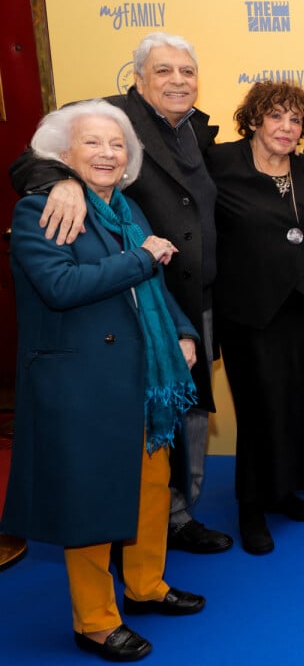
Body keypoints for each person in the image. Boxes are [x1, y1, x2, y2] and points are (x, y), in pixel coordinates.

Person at [9, 32, 232, 555]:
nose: (178, 80)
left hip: (179, 307)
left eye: (187, 71)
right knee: (116, 453)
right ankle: (134, 538)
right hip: (110, 327)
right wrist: (60, 180)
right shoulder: (104, 117)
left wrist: (181, 323)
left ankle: (172, 525)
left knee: (183, 424)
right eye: (164, 71)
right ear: (137, 78)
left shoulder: (199, 130)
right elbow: (33, 157)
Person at [2, 101, 205, 662]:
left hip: (145, 378)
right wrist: (142, 258)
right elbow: (61, 286)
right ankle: (93, 621)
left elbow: (156, 292)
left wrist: (184, 333)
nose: (108, 154)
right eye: (93, 143)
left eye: (117, 145)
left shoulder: (127, 208)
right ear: (63, 155)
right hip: (81, 384)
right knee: (90, 501)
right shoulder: (38, 210)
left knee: (148, 488)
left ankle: (146, 587)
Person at [207, 81, 304, 554]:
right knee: (260, 410)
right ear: (255, 120)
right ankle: (251, 507)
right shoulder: (220, 163)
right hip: (249, 313)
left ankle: (282, 491)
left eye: (296, 120)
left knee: (298, 404)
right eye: (277, 117)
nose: (287, 128)